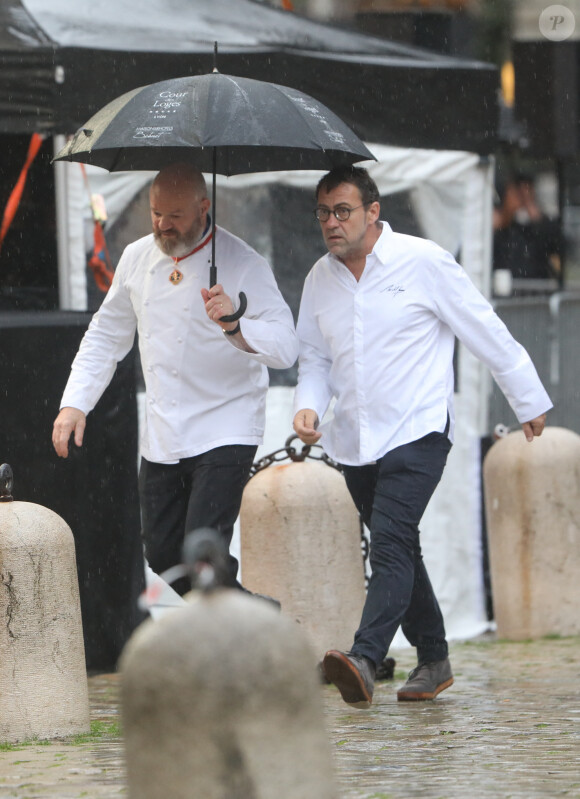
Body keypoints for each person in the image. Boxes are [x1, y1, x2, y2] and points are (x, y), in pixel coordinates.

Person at [293, 166, 552, 709]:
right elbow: (314, 357)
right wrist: (308, 407)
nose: (331, 223)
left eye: (342, 211)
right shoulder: (319, 277)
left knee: (388, 542)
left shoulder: (423, 260)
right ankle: (433, 659)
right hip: (356, 439)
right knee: (401, 545)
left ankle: (365, 658)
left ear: (373, 211)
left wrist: (526, 398)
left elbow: (483, 327)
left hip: (418, 428)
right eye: (323, 212)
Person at [53, 162, 299, 597]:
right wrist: (75, 402)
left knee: (202, 554)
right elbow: (106, 335)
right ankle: (258, 622)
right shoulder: (135, 257)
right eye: (155, 214)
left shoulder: (243, 261)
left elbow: (285, 346)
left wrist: (236, 325)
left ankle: (235, 655)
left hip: (227, 422)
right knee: (164, 554)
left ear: (204, 208)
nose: (163, 225)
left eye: (175, 216)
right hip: (165, 427)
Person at [493, 172, 564, 285]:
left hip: (535, 285)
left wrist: (530, 206)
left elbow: (553, 242)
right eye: (518, 193)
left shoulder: (537, 227)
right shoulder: (503, 225)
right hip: (508, 284)